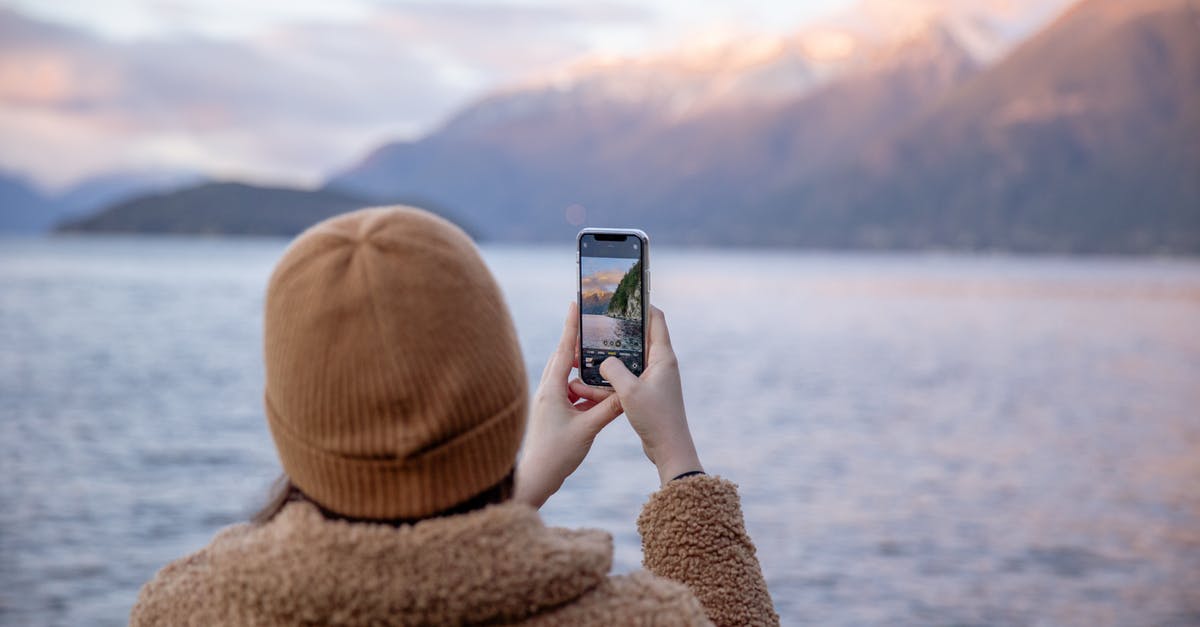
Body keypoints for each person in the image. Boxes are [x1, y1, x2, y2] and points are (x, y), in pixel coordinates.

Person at [130, 207, 778, 626]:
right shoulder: (639, 619)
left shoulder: (182, 610)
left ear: (288, 422)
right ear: (506, 402)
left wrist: (526, 487)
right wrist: (678, 463)